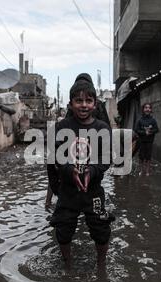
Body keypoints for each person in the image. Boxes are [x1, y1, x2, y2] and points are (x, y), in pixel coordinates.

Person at [49, 76, 114, 271]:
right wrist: (70, 170)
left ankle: (101, 265)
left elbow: (106, 157)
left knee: (101, 227)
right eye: (78, 100)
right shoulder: (62, 127)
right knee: (63, 228)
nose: (83, 105)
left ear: (95, 104)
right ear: (70, 103)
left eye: (88, 101)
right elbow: (56, 157)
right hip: (69, 191)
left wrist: (92, 171)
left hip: (93, 191)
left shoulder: (102, 128)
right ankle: (67, 264)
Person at [134, 103, 159, 176]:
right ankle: (141, 170)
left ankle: (147, 171)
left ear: (151, 110)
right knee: (141, 156)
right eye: (146, 107)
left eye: (149, 108)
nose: (147, 109)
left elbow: (157, 129)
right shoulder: (140, 120)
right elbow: (136, 130)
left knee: (148, 156)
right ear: (143, 109)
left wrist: (150, 132)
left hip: (150, 141)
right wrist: (144, 132)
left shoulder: (153, 120)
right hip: (141, 141)